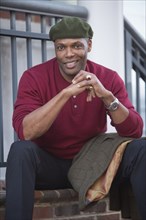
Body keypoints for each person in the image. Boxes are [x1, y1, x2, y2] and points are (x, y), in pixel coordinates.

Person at [5, 17, 146, 220]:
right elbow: (26, 132)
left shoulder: (107, 77)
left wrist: (107, 97)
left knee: (141, 149)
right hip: (50, 165)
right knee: (20, 150)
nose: (69, 54)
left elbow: (134, 131)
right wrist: (65, 94)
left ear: (89, 44)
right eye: (61, 47)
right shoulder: (33, 77)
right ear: (55, 48)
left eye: (77, 46)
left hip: (94, 164)